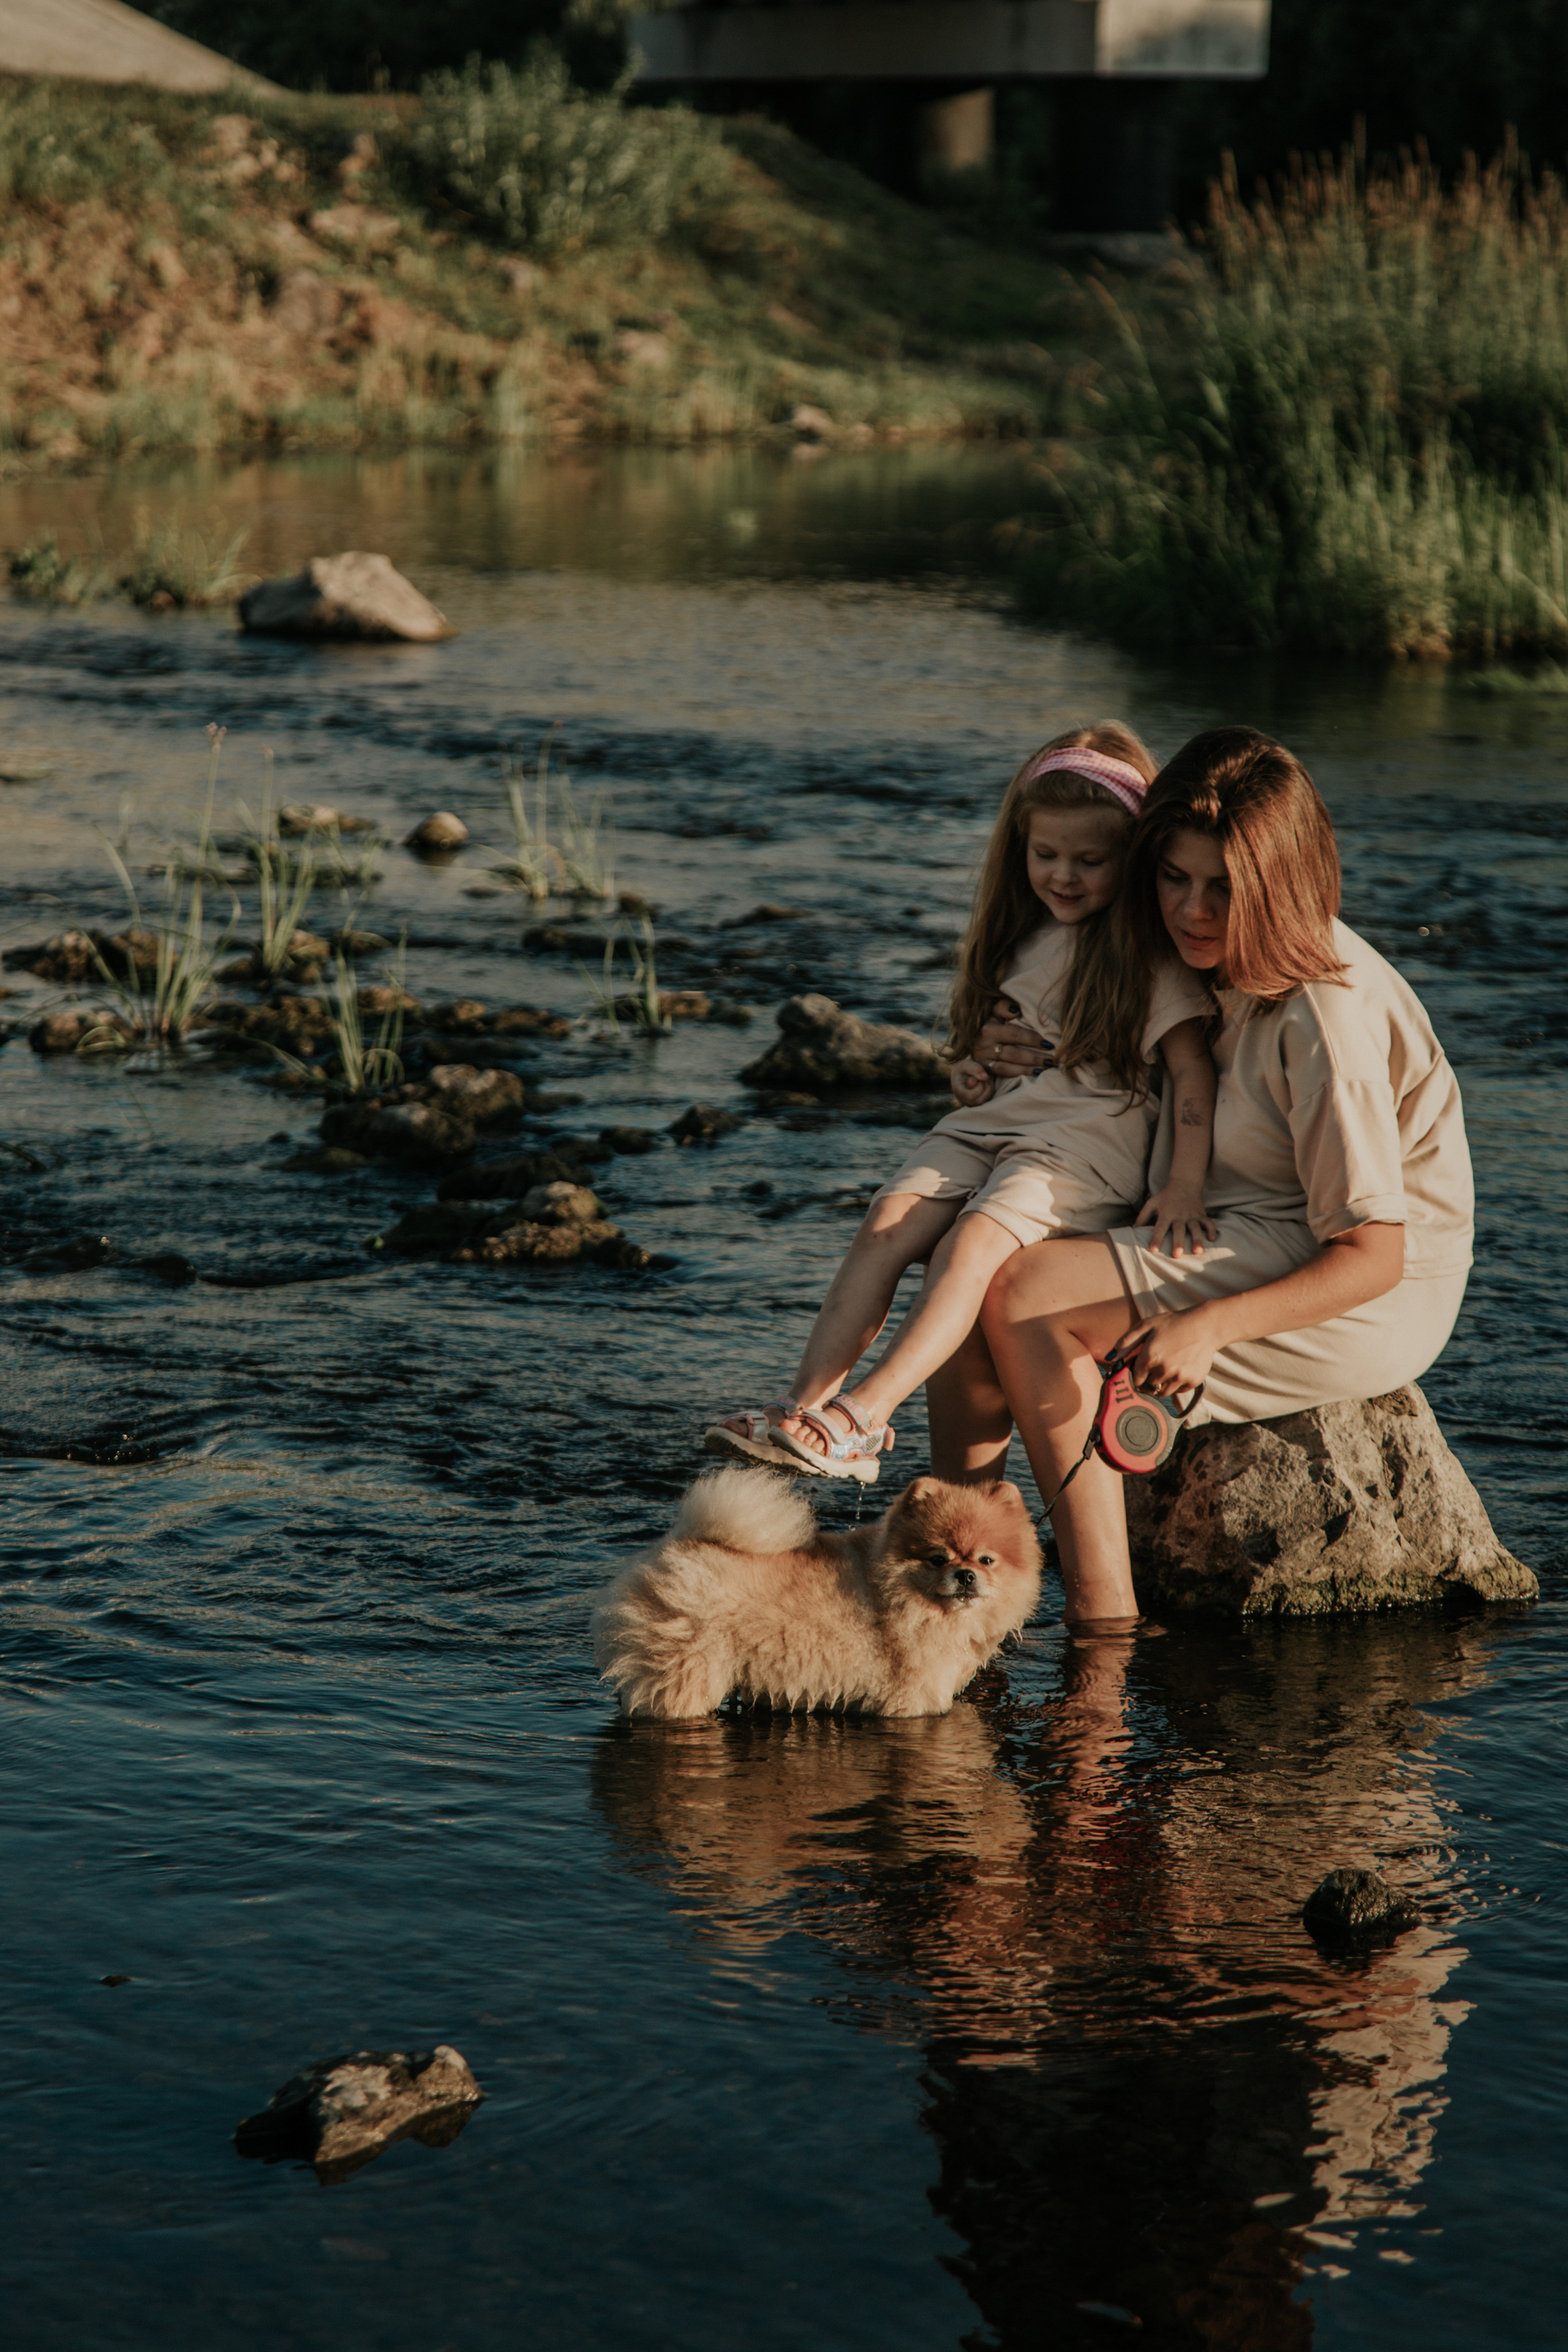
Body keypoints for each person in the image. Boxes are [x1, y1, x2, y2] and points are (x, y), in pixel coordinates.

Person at [928, 725, 1474, 1625]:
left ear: (1281, 883)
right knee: (970, 1275)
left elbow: (1375, 1253)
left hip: (1359, 1279)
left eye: (1224, 888)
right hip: (1227, 1220)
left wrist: (1208, 1327)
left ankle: (1102, 1624)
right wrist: (1000, 1056)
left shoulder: (1325, 1018)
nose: (1192, 909)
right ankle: (953, 1576)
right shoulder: (1179, 956)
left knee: (1025, 1295)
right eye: (1173, 878)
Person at [705, 723, 1218, 1481]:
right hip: (993, 1127)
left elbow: (1194, 1076)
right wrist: (976, 1077)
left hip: (1079, 1151)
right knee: (887, 1221)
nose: (1064, 877)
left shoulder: (1147, 955)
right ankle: (805, 1407)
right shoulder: (1020, 938)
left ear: (1131, 858)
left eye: (1089, 861)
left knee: (970, 1244)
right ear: (1020, 850)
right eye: (1046, 856)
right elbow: (1000, 1056)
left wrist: (1182, 1185)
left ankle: (864, 1419)